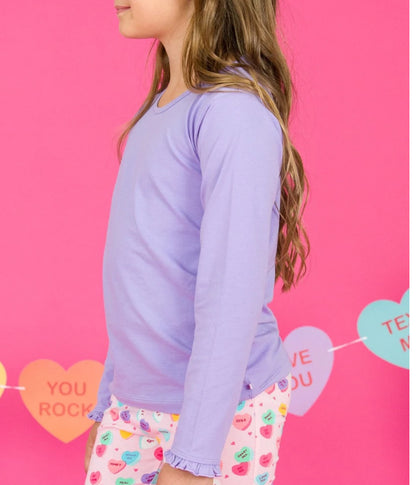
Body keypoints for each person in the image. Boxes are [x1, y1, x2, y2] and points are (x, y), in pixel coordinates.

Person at [84, 0, 310, 484]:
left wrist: (193, 457)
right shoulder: (159, 110)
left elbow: (231, 295)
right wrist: (109, 403)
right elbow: (141, 283)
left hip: (218, 414)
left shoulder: (231, 112)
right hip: (136, 406)